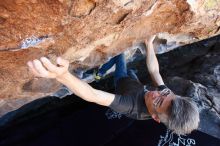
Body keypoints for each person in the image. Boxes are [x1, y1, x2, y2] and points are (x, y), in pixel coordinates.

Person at [27, 35, 199, 135]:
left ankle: (98, 74)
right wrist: (148, 44)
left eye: (158, 102)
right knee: (131, 72)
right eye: (166, 93)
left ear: (155, 117)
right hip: (135, 83)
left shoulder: (129, 106)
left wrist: (63, 75)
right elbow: (155, 72)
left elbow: (93, 96)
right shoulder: (164, 98)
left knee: (120, 57)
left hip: (122, 82)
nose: (158, 93)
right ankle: (99, 73)